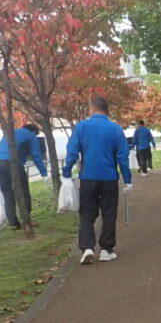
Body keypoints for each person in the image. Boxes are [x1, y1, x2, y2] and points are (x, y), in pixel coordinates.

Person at [62, 96, 132, 264]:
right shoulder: (116, 129)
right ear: (107, 110)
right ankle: (106, 250)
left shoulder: (81, 127)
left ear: (92, 109)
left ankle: (87, 247)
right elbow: (123, 156)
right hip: (109, 177)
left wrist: (67, 171)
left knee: (86, 213)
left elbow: (72, 151)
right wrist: (127, 179)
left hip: (88, 177)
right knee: (109, 213)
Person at [0, 122, 48, 230]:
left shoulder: (10, 132)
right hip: (13, 164)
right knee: (23, 192)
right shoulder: (31, 135)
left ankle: (13, 223)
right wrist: (44, 173)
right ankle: (26, 220)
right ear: (34, 132)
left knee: (7, 193)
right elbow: (36, 155)